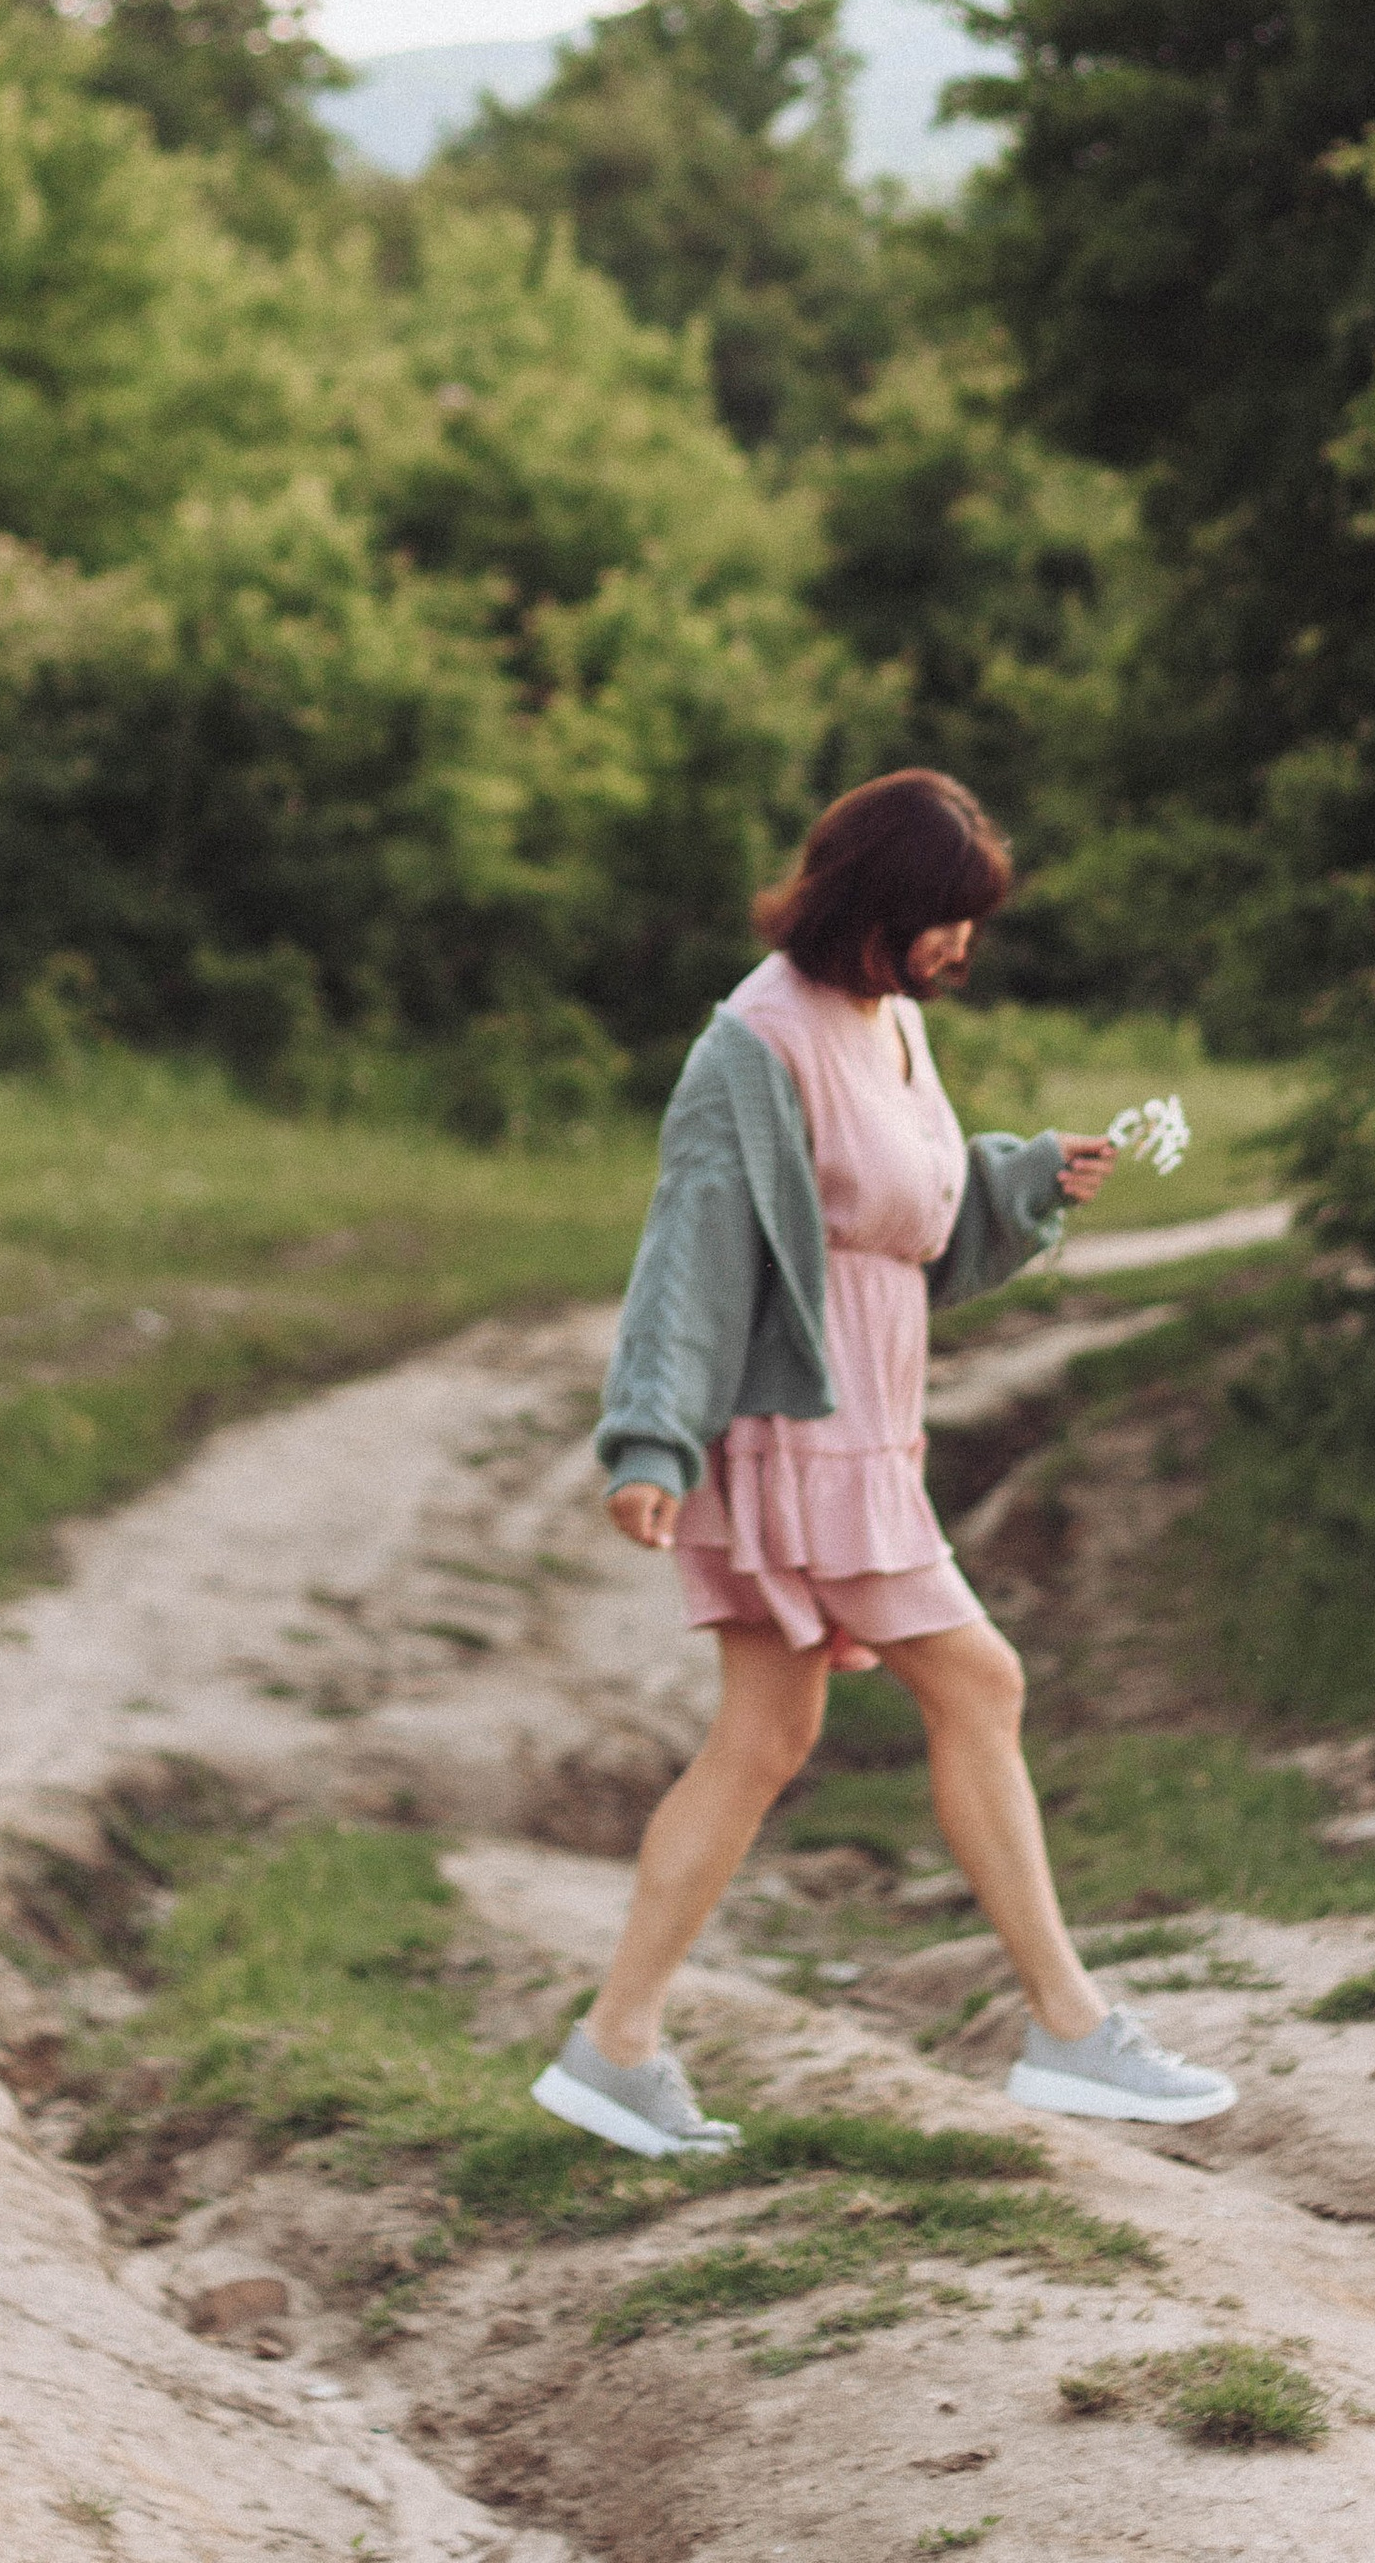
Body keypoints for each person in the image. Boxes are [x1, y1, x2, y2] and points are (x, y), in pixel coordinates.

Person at [532, 769, 1236, 2160]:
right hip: (805, 1434)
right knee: (981, 1678)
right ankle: (1071, 2031)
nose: (964, 946)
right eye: (945, 919)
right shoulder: (756, 1041)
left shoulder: (893, 1019)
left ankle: (613, 2049)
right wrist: (653, 1438)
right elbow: (693, 1249)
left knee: (765, 1739)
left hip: (871, 1422)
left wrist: (1024, 1181)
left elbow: (905, 1215)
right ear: (877, 905)